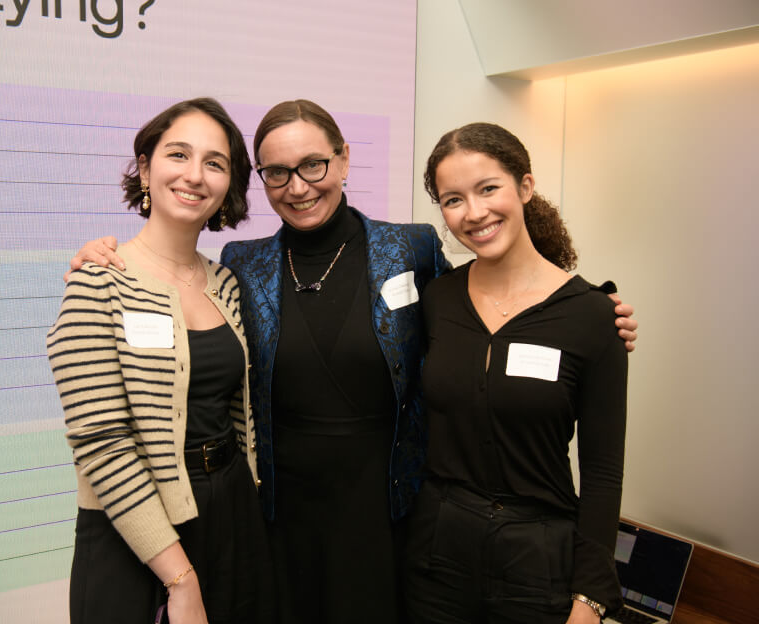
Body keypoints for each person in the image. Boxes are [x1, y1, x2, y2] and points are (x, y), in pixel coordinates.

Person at [67, 100, 638, 623]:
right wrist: (101, 252)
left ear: (344, 160)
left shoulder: (409, 249)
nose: (299, 186)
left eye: (314, 164)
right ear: (261, 181)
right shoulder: (241, 264)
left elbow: (487, 305)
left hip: (388, 510)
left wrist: (584, 311)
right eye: (277, 173)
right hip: (276, 515)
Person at [46, 98, 272, 624]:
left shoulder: (227, 283)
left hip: (230, 514)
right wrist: (180, 577)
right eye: (178, 155)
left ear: (228, 186)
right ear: (145, 167)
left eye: (215, 163)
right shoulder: (98, 281)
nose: (195, 175)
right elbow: (101, 444)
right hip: (133, 530)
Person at [403, 122, 628, 624]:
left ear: (525, 187)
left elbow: (602, 473)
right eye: (453, 199)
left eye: (488, 189)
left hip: (538, 566)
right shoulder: (437, 300)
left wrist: (589, 600)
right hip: (435, 562)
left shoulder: (593, 316)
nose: (474, 212)